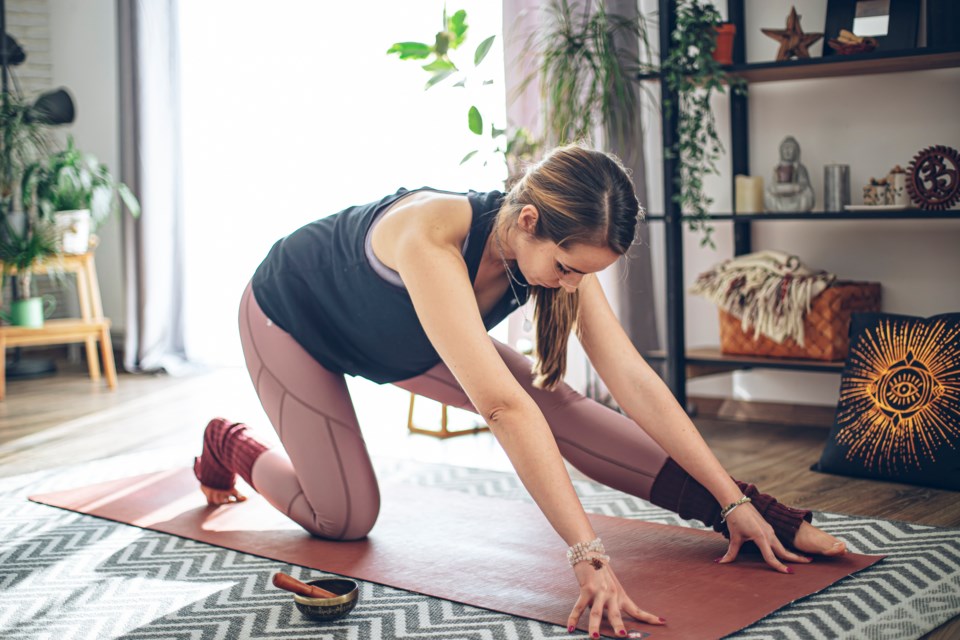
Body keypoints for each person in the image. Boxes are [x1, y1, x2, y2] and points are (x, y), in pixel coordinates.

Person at [194, 144, 847, 637]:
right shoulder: (430, 235)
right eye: (565, 268)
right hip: (292, 322)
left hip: (396, 343)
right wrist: (588, 557)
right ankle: (229, 443)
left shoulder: (552, 250)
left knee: (561, 406)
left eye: (581, 274)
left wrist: (739, 504)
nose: (569, 284)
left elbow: (634, 383)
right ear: (529, 219)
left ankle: (753, 516)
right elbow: (503, 409)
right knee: (343, 521)